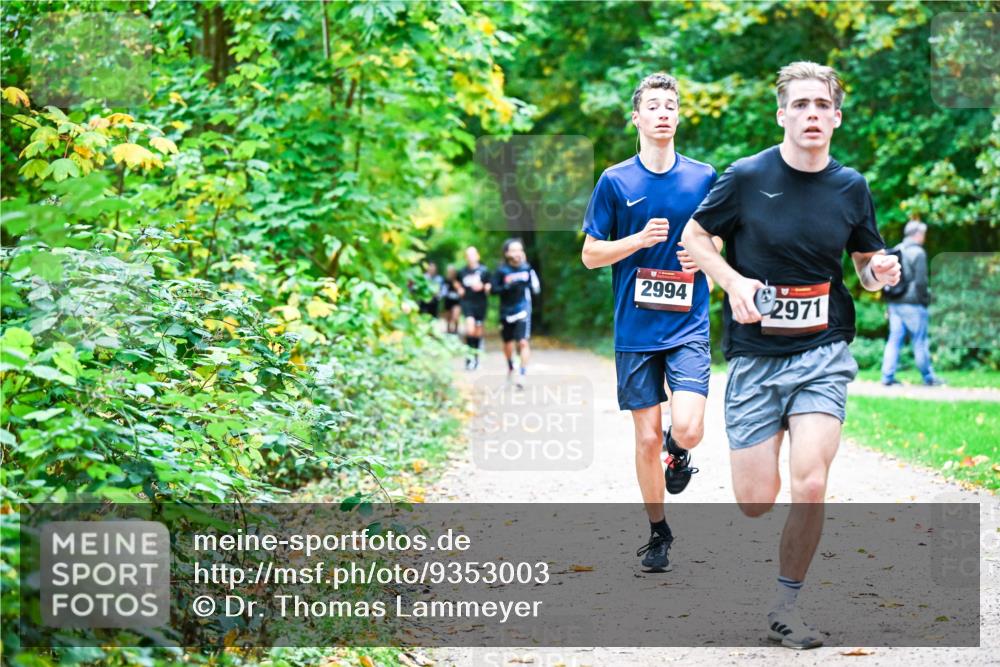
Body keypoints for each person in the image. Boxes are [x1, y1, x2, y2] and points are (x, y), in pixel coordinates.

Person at [681, 61, 901, 649]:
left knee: (809, 482)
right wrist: (732, 282)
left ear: (835, 116)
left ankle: (787, 605)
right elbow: (695, 239)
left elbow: (865, 264)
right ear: (782, 114)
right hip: (755, 357)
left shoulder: (850, 186)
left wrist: (879, 271)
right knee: (756, 502)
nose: (811, 114)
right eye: (799, 105)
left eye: (821, 105)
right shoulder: (747, 176)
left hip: (823, 354)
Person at [581, 73, 720, 573]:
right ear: (637, 118)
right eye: (653, 106)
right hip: (635, 329)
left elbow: (721, 240)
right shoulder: (615, 181)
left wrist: (701, 257)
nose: (663, 113)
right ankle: (658, 532)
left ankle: (678, 452)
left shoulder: (703, 177)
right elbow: (591, 254)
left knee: (689, 427)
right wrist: (637, 242)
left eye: (671, 105)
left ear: (678, 117)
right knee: (643, 438)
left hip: (687, 323)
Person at [881, 218, 943, 386]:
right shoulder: (919, 253)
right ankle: (929, 377)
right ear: (918, 234)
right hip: (913, 304)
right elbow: (921, 282)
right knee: (920, 340)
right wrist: (925, 301)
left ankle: (887, 377)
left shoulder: (897, 250)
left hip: (894, 303)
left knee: (894, 340)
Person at [494, 238, 541, 388]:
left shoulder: (527, 269)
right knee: (508, 343)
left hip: (522, 308)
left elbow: (536, 289)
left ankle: (522, 373)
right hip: (506, 310)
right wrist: (507, 286)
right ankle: (510, 367)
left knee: (522, 341)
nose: (516, 253)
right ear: (506, 253)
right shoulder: (501, 271)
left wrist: (528, 274)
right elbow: (494, 290)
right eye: (513, 250)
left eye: (519, 250)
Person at [457, 246, 492, 370]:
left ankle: (476, 359)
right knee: (469, 328)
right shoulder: (462, 272)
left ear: (477, 256)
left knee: (478, 332)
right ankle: (468, 358)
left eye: (473, 254)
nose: (471, 257)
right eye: (468, 255)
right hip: (468, 302)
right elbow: (456, 282)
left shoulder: (484, 271)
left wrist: (484, 287)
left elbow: (489, 284)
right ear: (466, 257)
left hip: (480, 303)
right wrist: (459, 289)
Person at [442, 265, 462, 335]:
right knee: (448, 317)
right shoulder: (445, 280)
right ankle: (448, 331)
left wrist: (455, 283)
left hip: (457, 300)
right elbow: (443, 290)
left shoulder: (458, 278)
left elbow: (461, 289)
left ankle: (456, 330)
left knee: (455, 316)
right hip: (448, 300)